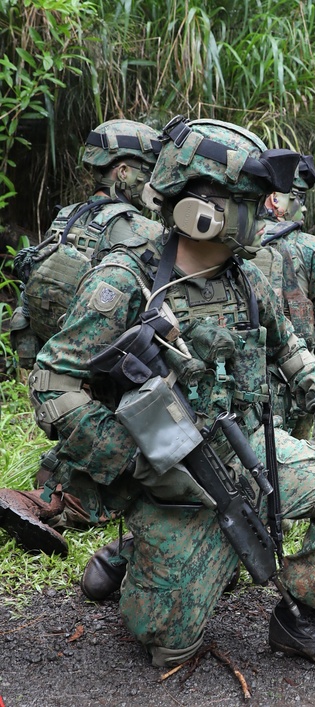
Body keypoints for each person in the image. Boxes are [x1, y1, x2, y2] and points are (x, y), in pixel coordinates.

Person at [29, 116, 315, 678]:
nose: (267, 212)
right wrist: (137, 462)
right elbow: (53, 383)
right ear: (204, 209)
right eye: (251, 201)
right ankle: (139, 556)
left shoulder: (247, 279)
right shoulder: (124, 283)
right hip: (167, 479)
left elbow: (293, 352)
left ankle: (298, 621)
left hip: (246, 459)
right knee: (168, 642)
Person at [0, 119, 163, 556]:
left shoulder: (66, 218)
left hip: (62, 354)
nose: (154, 182)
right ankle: (76, 501)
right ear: (124, 171)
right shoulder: (138, 231)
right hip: (106, 360)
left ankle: (53, 498)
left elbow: (32, 288)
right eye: (148, 170)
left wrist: (30, 353)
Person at [253, 156, 315, 443]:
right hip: (296, 384)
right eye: (297, 197)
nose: (304, 207)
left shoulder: (229, 243)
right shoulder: (311, 248)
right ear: (275, 200)